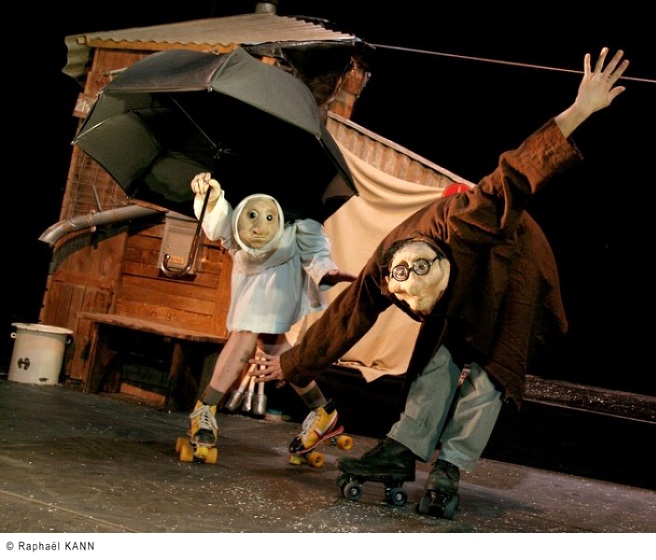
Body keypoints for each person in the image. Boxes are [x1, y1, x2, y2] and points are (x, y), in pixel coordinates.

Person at [250, 47, 630, 514]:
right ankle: (402, 449)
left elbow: (519, 169)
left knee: (493, 371)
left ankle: (450, 465)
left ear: (445, 266)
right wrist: (295, 363)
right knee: (435, 357)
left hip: (515, 270)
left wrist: (580, 109)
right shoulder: (389, 262)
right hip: (459, 290)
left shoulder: (473, 218)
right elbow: (348, 315)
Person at [185, 172, 355, 461]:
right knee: (274, 347)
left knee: (244, 336)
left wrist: (328, 272)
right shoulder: (245, 196)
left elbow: (315, 250)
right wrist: (210, 200)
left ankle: (205, 409)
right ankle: (323, 411)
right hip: (248, 282)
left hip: (280, 283)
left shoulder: (298, 214)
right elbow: (222, 228)